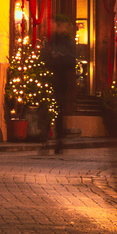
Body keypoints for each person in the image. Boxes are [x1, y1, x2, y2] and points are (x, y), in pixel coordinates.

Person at [44, 18, 77, 155]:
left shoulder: (69, 42)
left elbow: (71, 61)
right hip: (50, 79)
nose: (60, 28)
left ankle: (59, 140)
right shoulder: (52, 41)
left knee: (59, 110)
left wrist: (60, 57)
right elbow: (45, 57)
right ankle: (47, 137)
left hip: (61, 80)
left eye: (62, 25)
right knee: (47, 108)